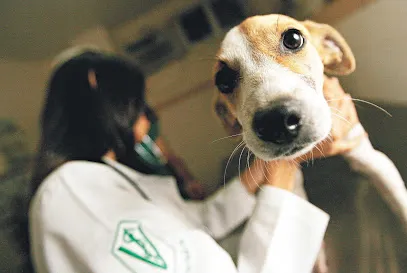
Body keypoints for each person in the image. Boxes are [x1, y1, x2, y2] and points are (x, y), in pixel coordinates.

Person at [27, 50, 401, 273]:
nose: (146, 121)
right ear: (102, 98)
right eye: (139, 106)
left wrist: (268, 168)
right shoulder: (71, 193)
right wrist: (284, 165)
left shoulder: (105, 181)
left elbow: (198, 221)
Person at [132, 104, 206, 200]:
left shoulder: (150, 133)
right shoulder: (127, 154)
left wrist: (189, 180)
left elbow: (169, 156)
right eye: (141, 118)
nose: (146, 122)